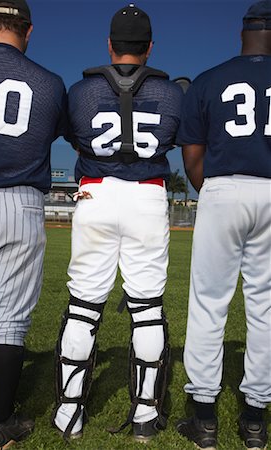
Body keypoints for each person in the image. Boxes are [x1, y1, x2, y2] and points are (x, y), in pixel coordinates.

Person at [52, 3, 184, 444]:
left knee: (84, 306)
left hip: (95, 193)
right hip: (148, 195)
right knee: (147, 309)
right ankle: (145, 414)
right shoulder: (171, 94)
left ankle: (69, 413)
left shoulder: (81, 91)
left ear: (109, 44)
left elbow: (72, 133)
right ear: (149, 47)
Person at [0, 1, 68, 449]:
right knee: (8, 323)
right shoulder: (48, 82)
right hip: (20, 202)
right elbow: (48, 131)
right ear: (28, 31)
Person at [175, 1, 271, 449]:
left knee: (209, 304)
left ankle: (205, 418)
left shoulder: (211, 79)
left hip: (222, 188)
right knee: (266, 309)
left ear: (242, 33)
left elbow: (192, 156)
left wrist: (211, 193)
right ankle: (254, 421)